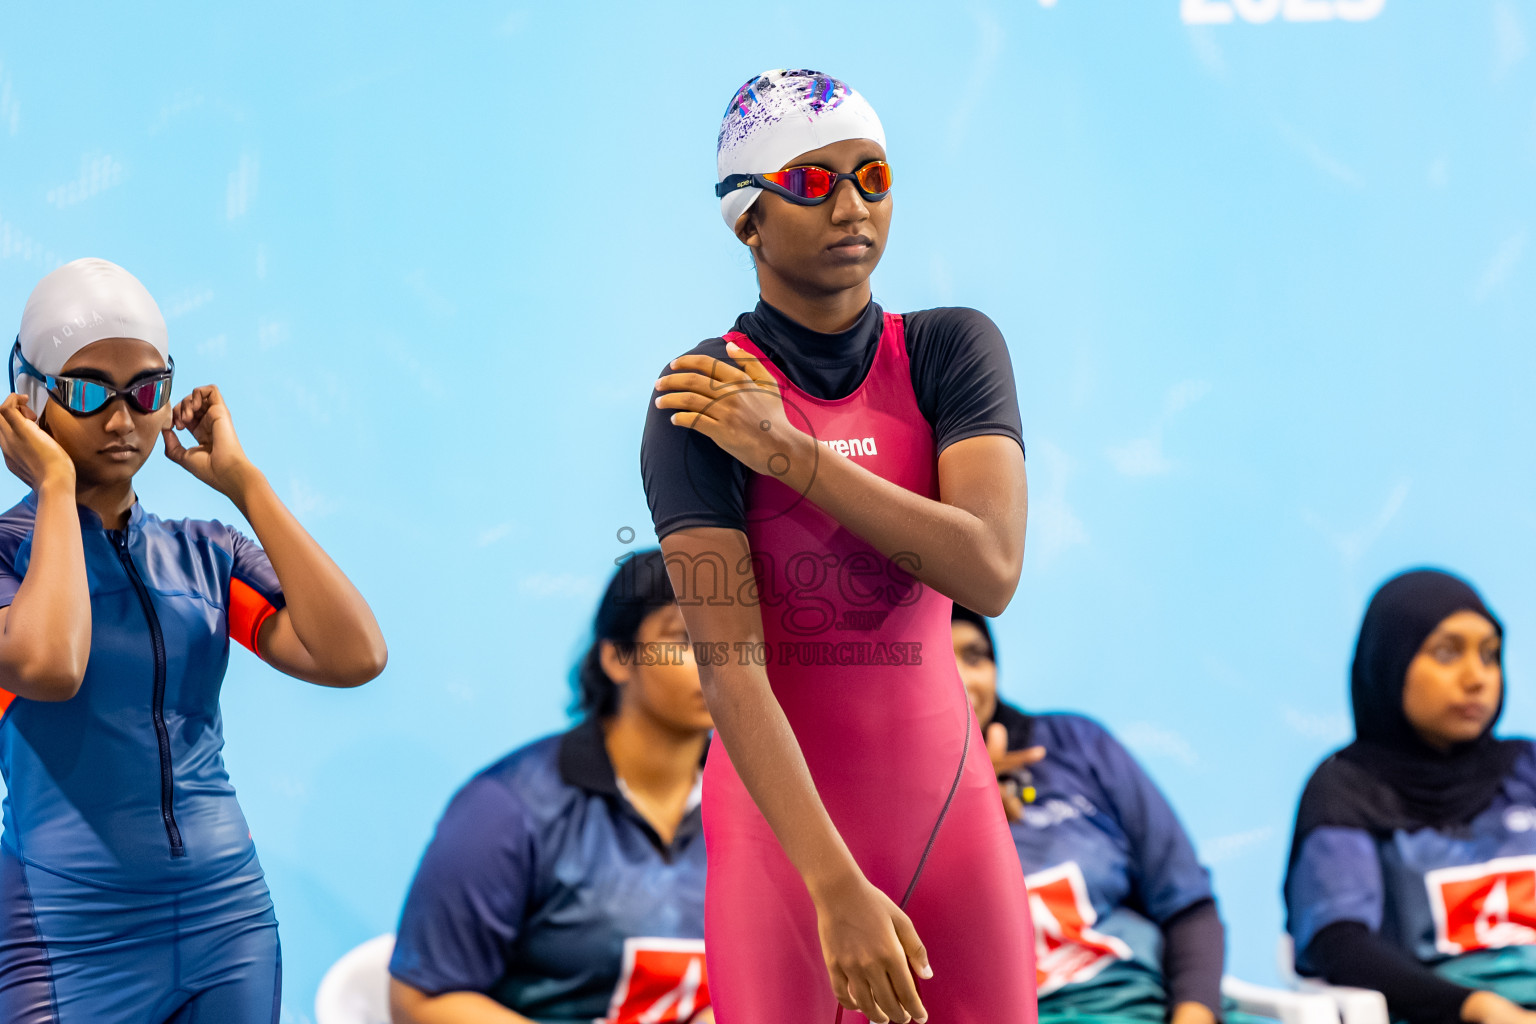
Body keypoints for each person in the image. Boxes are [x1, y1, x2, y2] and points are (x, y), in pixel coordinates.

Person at [642, 69, 1034, 1024]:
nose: (853, 204)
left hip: (951, 816)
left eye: (874, 175)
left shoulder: (951, 352)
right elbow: (731, 673)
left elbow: (987, 566)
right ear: (748, 219)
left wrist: (792, 454)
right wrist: (832, 886)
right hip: (785, 849)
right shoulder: (698, 402)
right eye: (813, 184)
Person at [0, 258, 388, 1022]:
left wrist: (245, 482)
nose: (121, 421)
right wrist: (50, 490)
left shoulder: (205, 553)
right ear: (34, 399)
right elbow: (50, 662)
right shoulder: (7, 559)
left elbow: (355, 656)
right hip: (64, 934)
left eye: (145, 391)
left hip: (226, 922)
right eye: (85, 391)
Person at [389, 549, 714, 1024]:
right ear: (618, 658)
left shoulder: (768, 812)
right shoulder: (505, 808)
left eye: (740, 638)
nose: (721, 660)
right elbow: (421, 1001)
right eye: (686, 637)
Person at [951, 605, 1261, 1024]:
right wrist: (961, 811)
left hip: (1151, 1003)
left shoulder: (1075, 744)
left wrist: (1192, 1017)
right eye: (939, 659)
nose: (964, 679)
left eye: (975, 656)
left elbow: (1187, 905)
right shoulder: (884, 802)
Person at [1286, 569, 1536, 1024]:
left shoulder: (1527, 768)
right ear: (1391, 661)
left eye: (1490, 656)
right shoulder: (1346, 789)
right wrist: (1474, 1008)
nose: (1475, 678)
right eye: (1446, 653)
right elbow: (1339, 944)